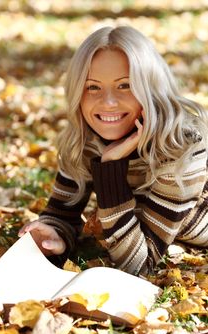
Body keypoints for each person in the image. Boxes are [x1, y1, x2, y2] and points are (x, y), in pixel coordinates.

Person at [19, 26, 208, 276]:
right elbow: (62, 213)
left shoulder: (181, 147)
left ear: (151, 89)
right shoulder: (85, 140)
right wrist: (55, 234)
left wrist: (109, 168)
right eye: (93, 87)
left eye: (125, 85)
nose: (107, 102)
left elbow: (138, 264)